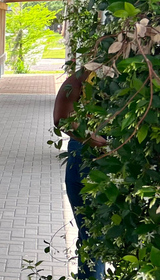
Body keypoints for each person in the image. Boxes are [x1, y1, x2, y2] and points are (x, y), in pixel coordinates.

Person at [53, 71, 106, 280]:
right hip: (88, 156)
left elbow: (62, 117)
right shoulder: (87, 75)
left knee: (93, 238)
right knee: (94, 237)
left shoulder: (87, 74)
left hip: (89, 154)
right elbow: (62, 118)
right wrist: (94, 140)